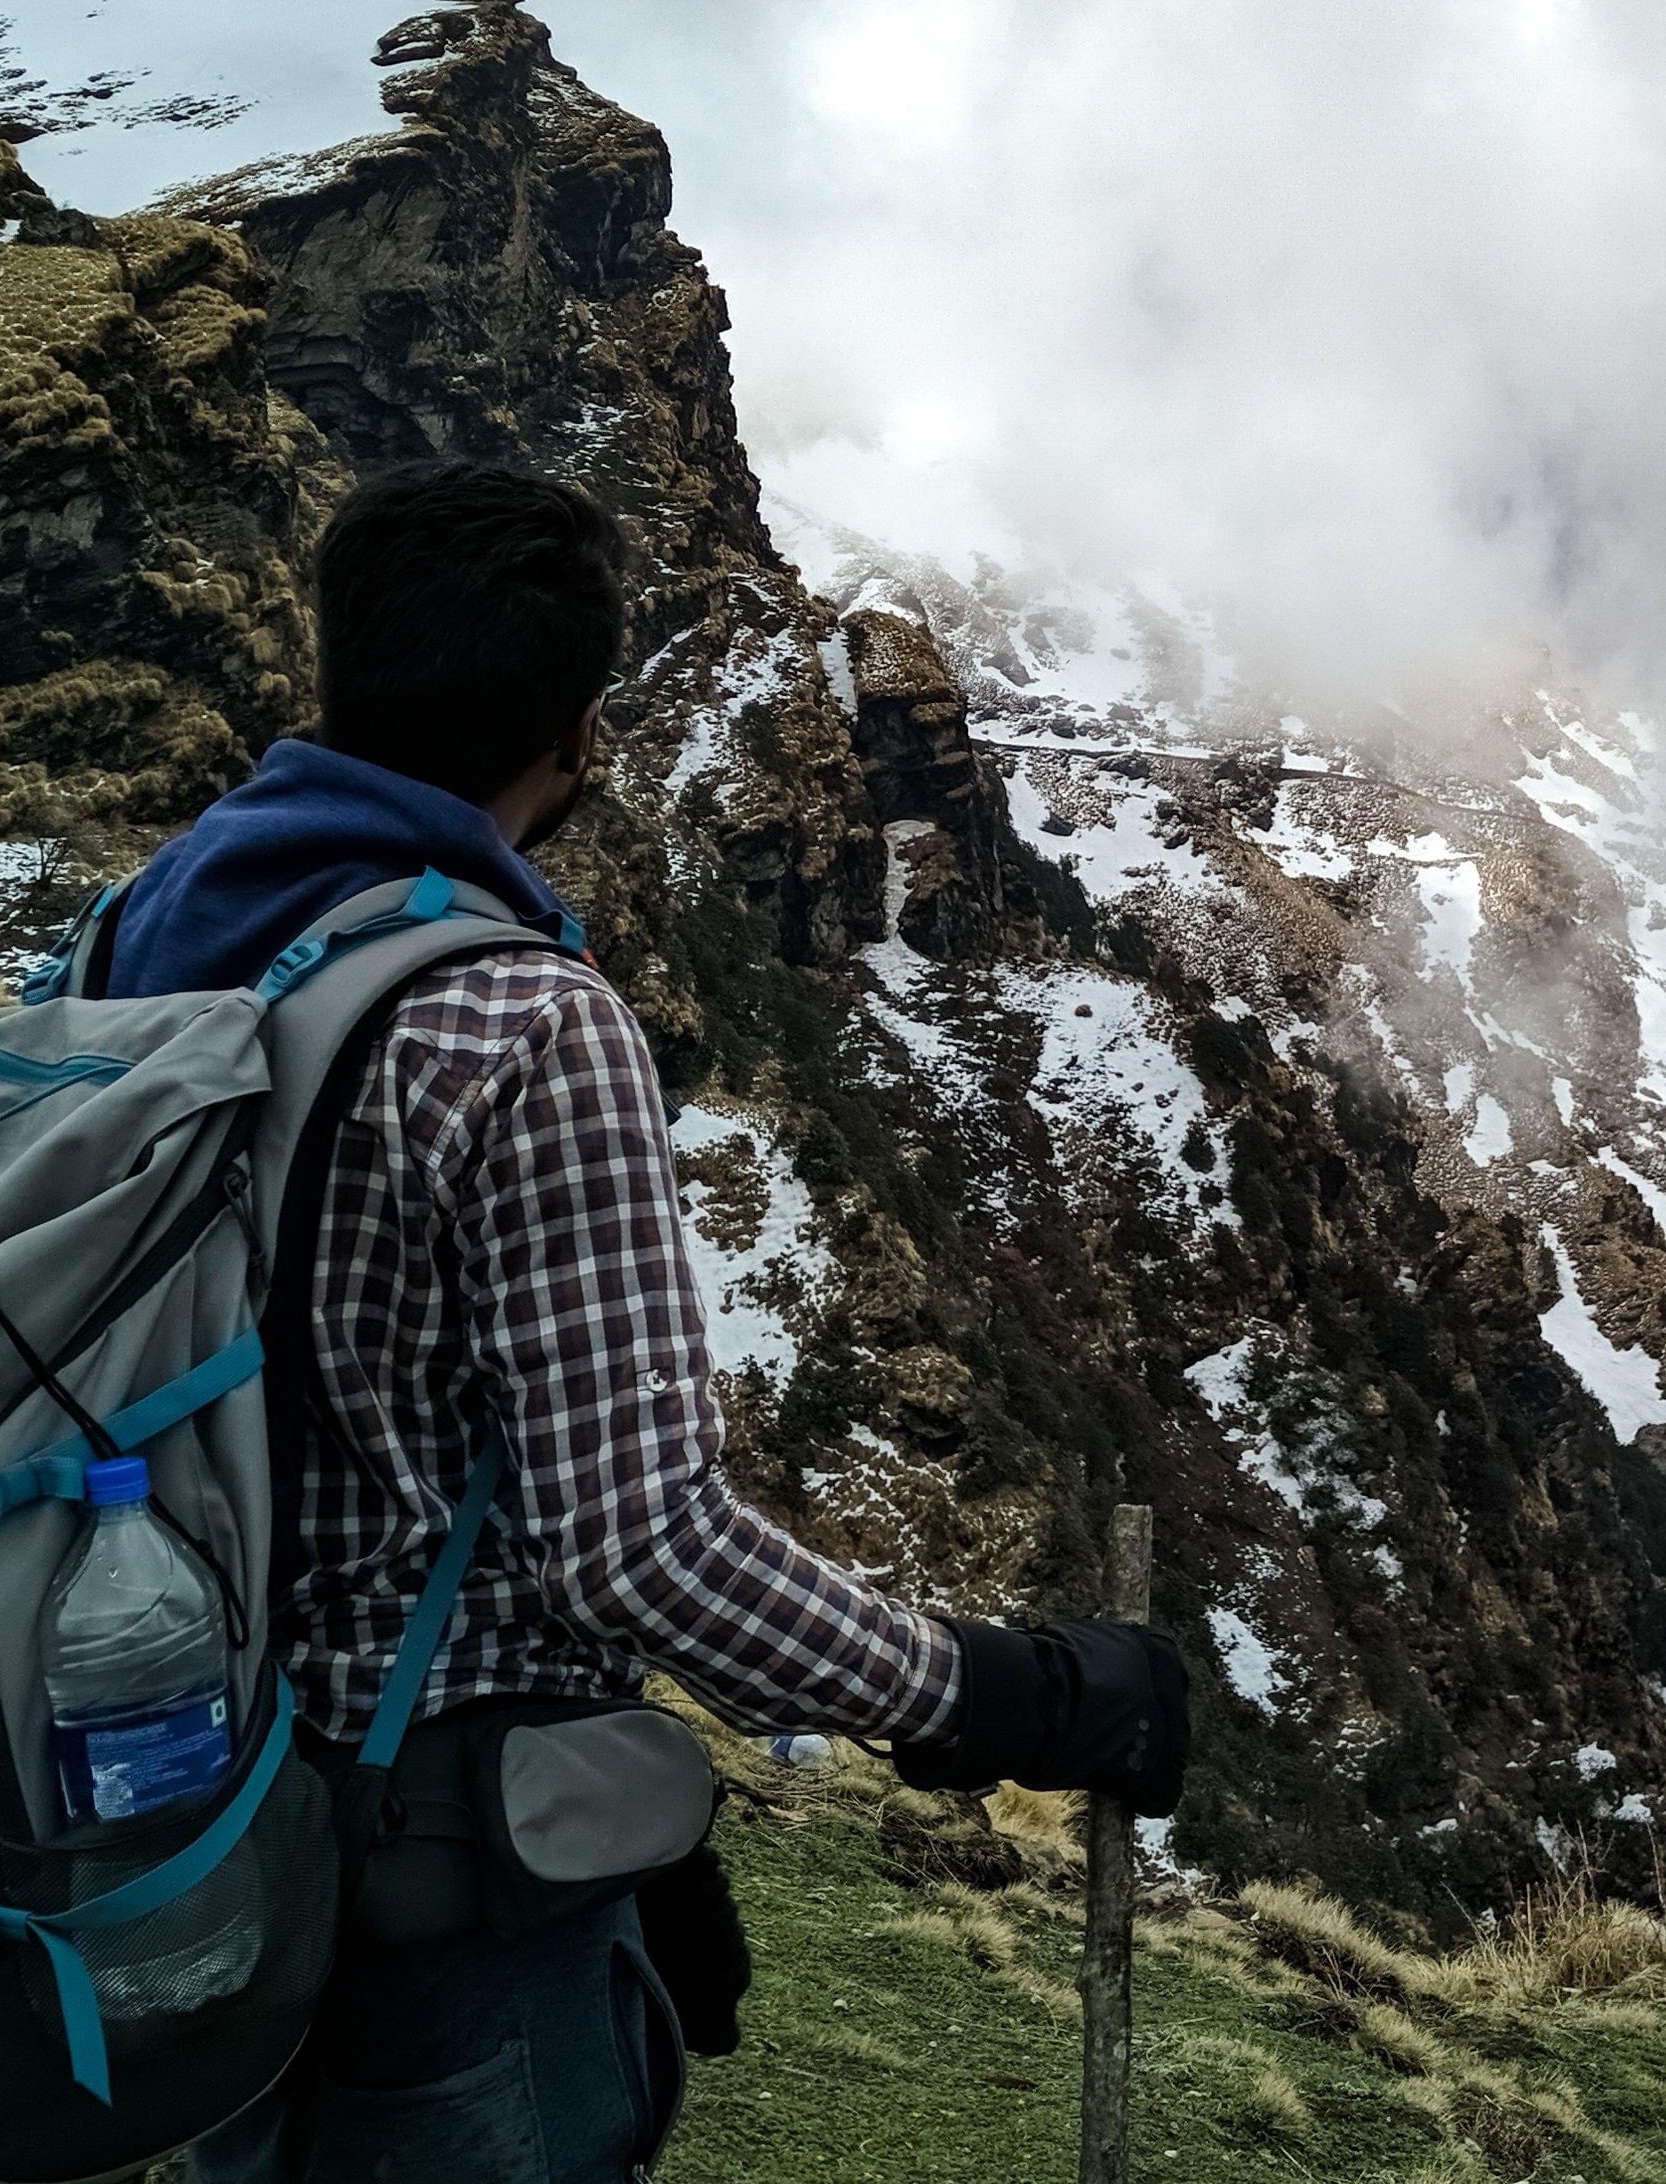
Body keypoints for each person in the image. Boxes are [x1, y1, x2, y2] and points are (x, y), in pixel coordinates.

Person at [160, 461, 1184, 2184]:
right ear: (577, 731)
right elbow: (638, 1546)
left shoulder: (158, 936)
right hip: (431, 1892)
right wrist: (991, 1694)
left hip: (187, 1831)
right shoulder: (515, 1026)